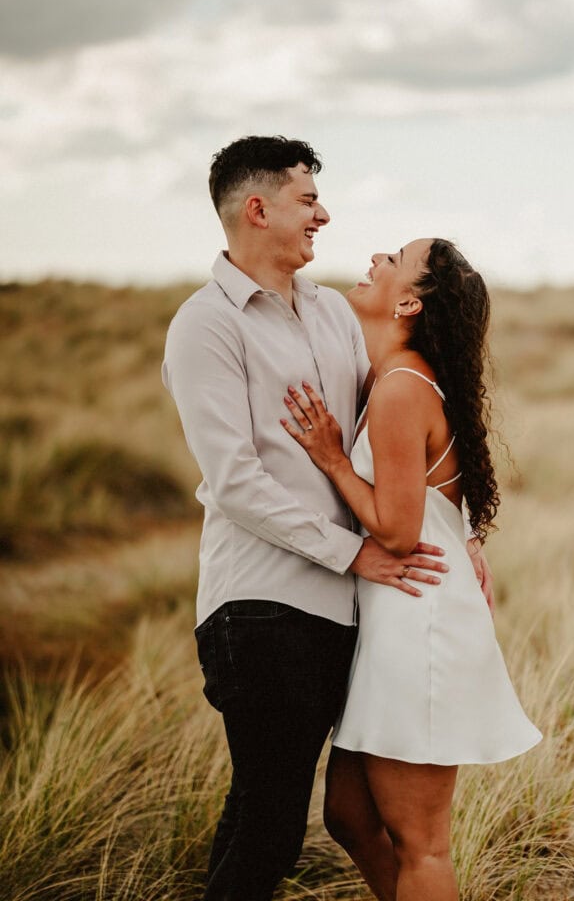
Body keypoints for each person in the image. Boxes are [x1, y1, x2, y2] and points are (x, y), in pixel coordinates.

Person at [162, 137, 493, 901]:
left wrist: (463, 526)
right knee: (273, 823)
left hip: (353, 614)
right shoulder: (205, 326)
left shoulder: (332, 316)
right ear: (258, 209)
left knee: (310, 814)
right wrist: (354, 554)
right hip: (263, 605)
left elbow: (411, 435)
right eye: (308, 201)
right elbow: (234, 481)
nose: (325, 216)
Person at [282, 237, 542, 901]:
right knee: (349, 815)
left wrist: (332, 459)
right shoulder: (392, 377)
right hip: (395, 622)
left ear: (407, 300)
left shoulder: (401, 387)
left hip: (418, 626)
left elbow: (397, 530)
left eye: (393, 257)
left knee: (421, 844)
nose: (373, 258)